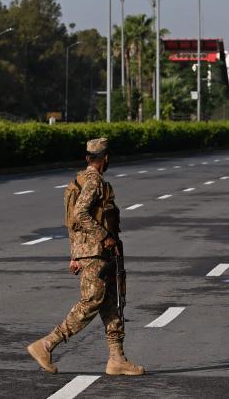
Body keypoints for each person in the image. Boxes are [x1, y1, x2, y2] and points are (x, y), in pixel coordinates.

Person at [27, 138, 145, 376]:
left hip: (94, 252)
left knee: (112, 305)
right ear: (106, 158)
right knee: (91, 301)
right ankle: (47, 344)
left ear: (88, 158)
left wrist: (75, 255)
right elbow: (80, 214)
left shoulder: (78, 180)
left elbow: (72, 223)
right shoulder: (94, 182)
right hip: (96, 253)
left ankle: (117, 358)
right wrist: (104, 236)